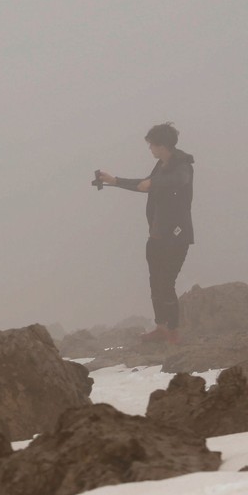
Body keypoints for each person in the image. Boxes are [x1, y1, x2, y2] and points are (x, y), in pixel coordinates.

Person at [98, 123, 194, 344]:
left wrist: (153, 182)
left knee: (166, 282)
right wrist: (115, 181)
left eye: (152, 145)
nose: (150, 149)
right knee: (155, 282)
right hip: (157, 235)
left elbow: (180, 181)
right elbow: (144, 185)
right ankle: (161, 327)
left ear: (162, 145)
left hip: (177, 236)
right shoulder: (161, 166)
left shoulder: (183, 164)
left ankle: (173, 332)